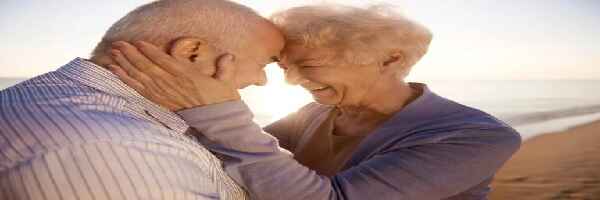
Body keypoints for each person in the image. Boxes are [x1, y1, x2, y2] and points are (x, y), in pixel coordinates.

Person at [109, 4, 522, 200]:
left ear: (390, 59)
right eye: (282, 64)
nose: (289, 79)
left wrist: (216, 109)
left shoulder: (477, 136)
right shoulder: (320, 110)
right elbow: (225, 150)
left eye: (308, 64)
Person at [0, 0, 284, 199]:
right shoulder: (119, 149)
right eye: (263, 64)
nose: (262, 81)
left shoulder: (57, 97)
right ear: (191, 52)